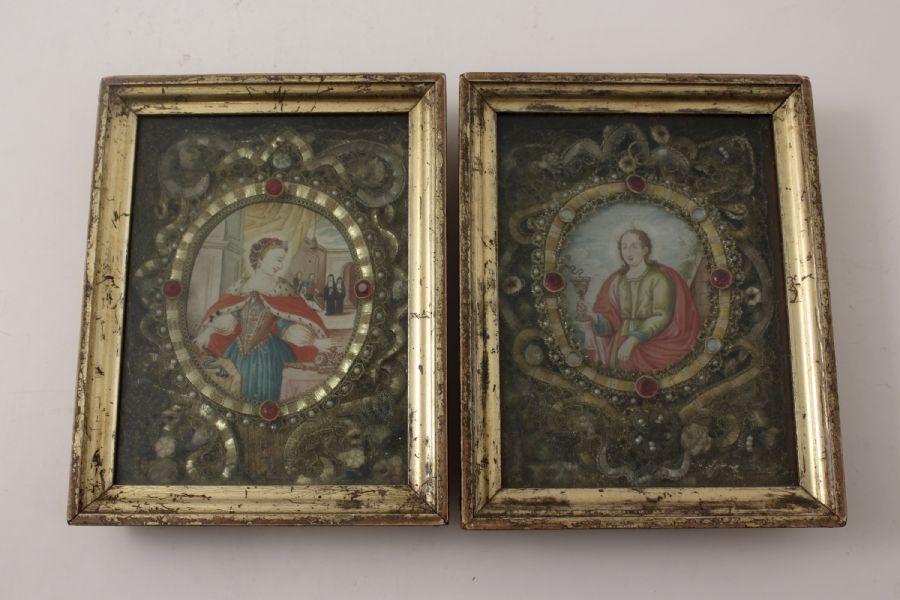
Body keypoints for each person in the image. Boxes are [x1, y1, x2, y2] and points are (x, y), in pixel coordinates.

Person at [193, 237, 333, 402]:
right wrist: (208, 332)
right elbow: (229, 315)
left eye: (282, 260)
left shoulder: (282, 287)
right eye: (277, 259)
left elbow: (287, 322)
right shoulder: (240, 286)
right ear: (260, 259)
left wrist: (312, 341)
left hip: (269, 356)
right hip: (237, 351)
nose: (280, 265)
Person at [577, 229, 700, 372]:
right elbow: (612, 323)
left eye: (634, 246)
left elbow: (661, 315)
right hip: (620, 345)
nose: (628, 252)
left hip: (653, 343)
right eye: (624, 247)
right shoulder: (616, 282)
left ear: (645, 250)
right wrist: (592, 316)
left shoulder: (659, 278)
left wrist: (633, 340)